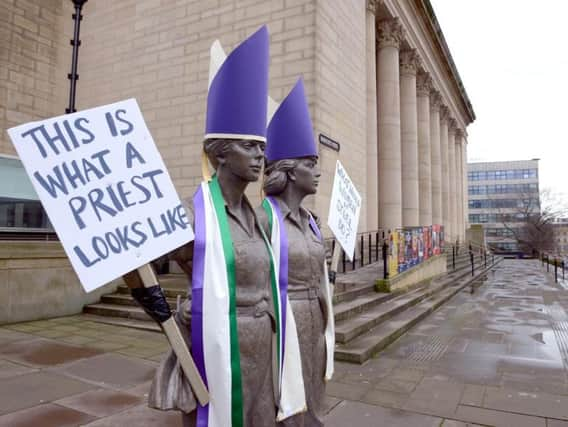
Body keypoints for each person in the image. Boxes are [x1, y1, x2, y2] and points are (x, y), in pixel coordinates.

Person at [127, 26, 299, 427]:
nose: (260, 157)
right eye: (249, 147)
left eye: (262, 148)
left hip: (263, 345)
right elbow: (136, 261)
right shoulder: (192, 214)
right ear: (219, 153)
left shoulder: (258, 217)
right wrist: (158, 305)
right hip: (218, 346)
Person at [260, 78, 334, 427]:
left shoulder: (313, 222)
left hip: (315, 318)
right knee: (283, 395)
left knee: (312, 388)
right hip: (280, 320)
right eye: (310, 164)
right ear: (288, 172)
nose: (318, 172)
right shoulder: (262, 218)